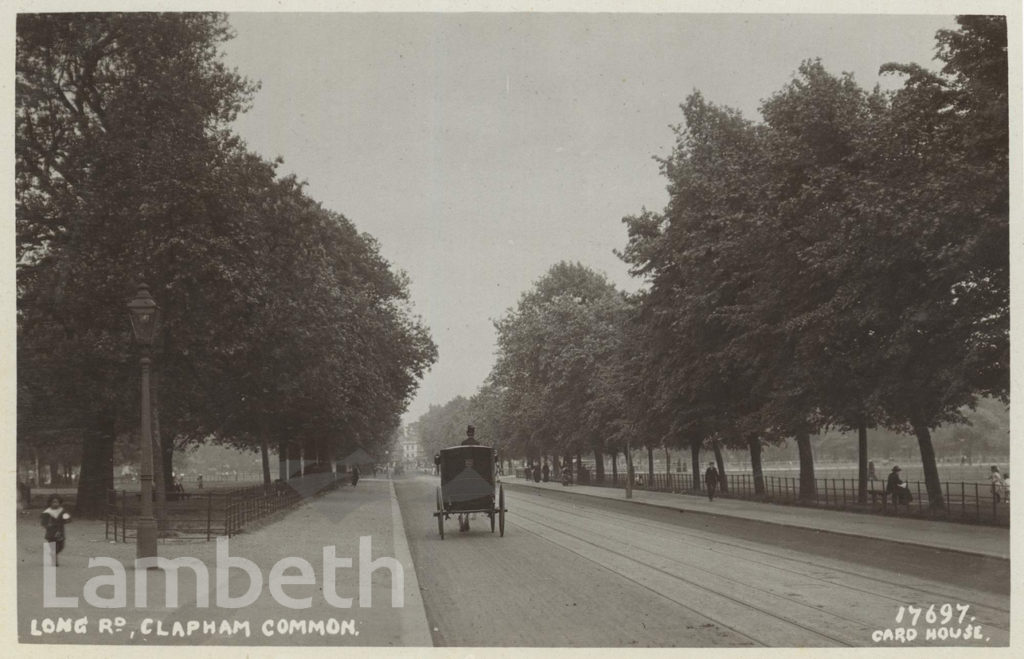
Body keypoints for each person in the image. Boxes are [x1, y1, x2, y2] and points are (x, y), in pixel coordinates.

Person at [40, 495, 71, 567]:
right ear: (50, 503)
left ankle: (53, 554)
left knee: (61, 546)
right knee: (53, 546)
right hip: (51, 531)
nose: (55, 504)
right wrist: (47, 525)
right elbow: (43, 522)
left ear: (60, 503)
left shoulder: (62, 511)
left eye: (57, 502)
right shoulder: (47, 512)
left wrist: (66, 519)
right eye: (53, 502)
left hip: (60, 531)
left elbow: (67, 518)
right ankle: (54, 560)